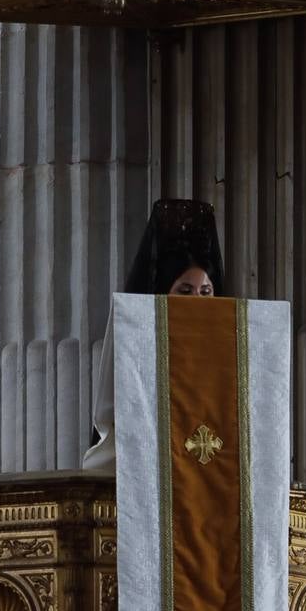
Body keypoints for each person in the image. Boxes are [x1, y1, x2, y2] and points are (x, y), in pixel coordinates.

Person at [83, 198, 224, 470]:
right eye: (185, 291)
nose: (197, 301)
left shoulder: (227, 355)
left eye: (205, 292)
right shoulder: (141, 351)